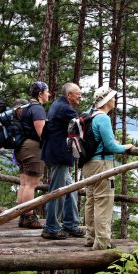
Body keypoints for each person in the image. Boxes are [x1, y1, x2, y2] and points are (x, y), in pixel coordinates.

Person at [82, 86, 134, 250]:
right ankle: (102, 243)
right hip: (102, 165)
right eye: (112, 97)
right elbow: (110, 145)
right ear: (106, 100)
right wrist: (125, 147)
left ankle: (90, 238)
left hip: (88, 164)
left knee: (90, 201)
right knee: (103, 202)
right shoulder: (103, 118)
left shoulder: (90, 115)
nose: (114, 100)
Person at [40, 82, 86, 240]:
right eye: (78, 93)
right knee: (58, 192)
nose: (80, 96)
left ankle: (70, 223)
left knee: (70, 189)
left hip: (55, 153)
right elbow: (81, 124)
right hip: (59, 155)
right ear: (69, 95)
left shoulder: (57, 104)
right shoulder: (65, 108)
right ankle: (51, 228)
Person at [14, 81, 49, 229]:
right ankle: (29, 216)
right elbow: (42, 134)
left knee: (24, 183)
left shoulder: (27, 107)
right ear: (40, 94)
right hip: (33, 148)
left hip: (22, 147)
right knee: (31, 184)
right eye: (47, 92)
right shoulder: (38, 109)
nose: (49, 94)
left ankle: (23, 215)